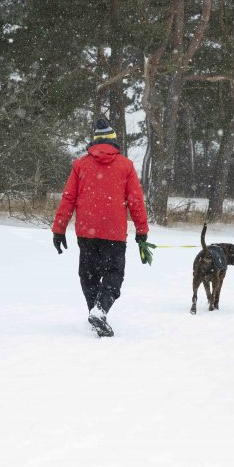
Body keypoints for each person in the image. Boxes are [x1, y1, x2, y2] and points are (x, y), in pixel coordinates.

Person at [52, 118, 151, 337]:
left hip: (87, 231)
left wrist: (59, 229)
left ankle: (96, 312)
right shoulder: (125, 165)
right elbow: (136, 201)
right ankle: (99, 311)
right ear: (114, 141)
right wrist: (142, 230)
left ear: (94, 141)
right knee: (114, 274)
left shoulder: (81, 165)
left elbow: (68, 198)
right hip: (114, 233)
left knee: (89, 276)